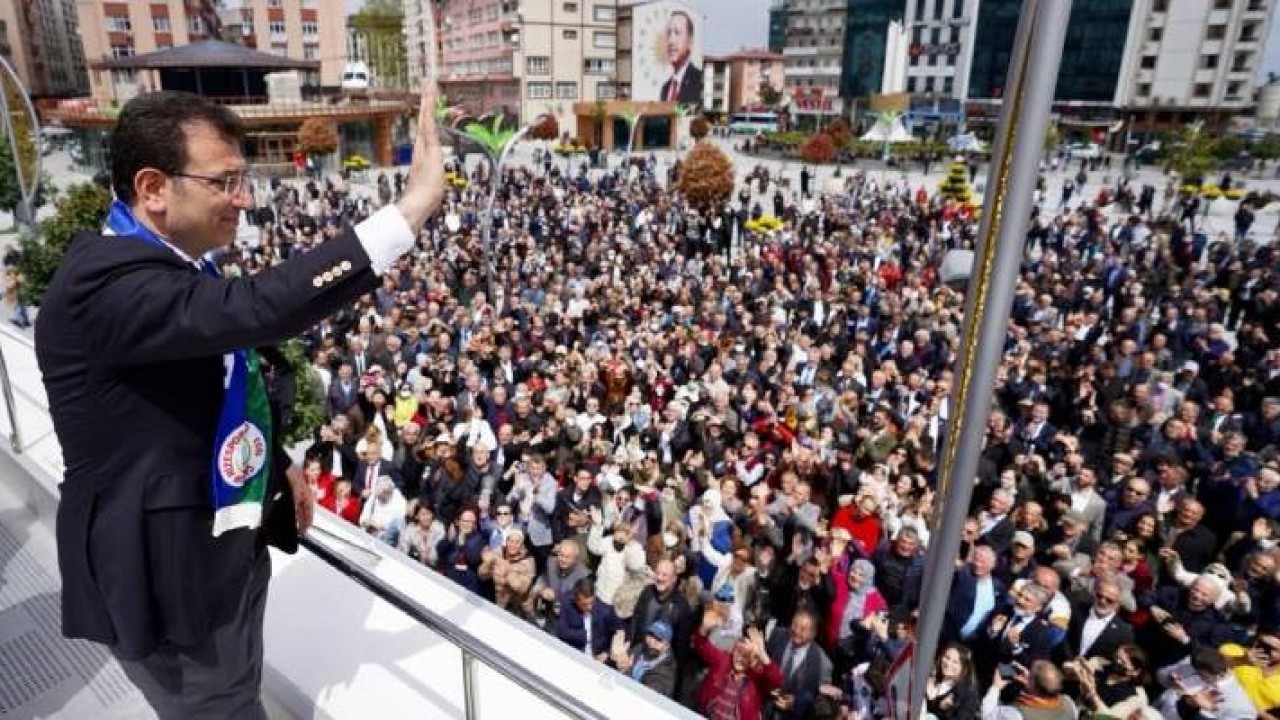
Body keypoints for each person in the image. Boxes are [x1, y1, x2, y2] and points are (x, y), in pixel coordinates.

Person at [34, 81, 444, 719]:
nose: (244, 199)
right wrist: (410, 210)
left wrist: (276, 464)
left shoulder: (175, 263)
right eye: (224, 182)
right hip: (169, 582)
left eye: (243, 179)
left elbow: (207, 397)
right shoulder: (107, 285)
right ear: (153, 188)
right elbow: (258, 309)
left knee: (237, 693)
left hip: (221, 548)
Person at [659, 10, 703, 104]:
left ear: (690, 41)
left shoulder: (699, 80)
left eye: (677, 33)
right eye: (668, 34)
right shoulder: (665, 88)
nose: (671, 40)